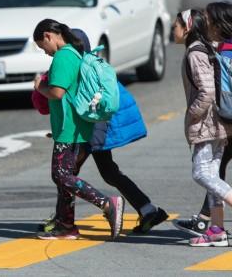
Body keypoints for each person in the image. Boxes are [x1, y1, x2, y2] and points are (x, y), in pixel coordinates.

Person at [36, 29, 168, 235]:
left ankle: (65, 221)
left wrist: (84, 141)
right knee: (105, 172)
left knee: (66, 174)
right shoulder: (89, 65)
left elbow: (85, 108)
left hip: (94, 129)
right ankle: (147, 209)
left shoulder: (82, 68)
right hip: (98, 127)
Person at [32, 19, 124, 240]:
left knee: (61, 175)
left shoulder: (64, 56)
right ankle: (66, 226)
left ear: (48, 36)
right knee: (67, 176)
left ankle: (106, 203)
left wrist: (39, 85)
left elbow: (57, 93)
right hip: (75, 126)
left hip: (69, 128)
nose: (45, 53)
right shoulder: (74, 52)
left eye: (42, 46)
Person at [173, 8, 232, 237]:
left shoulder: (194, 53)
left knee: (201, 173)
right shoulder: (205, 49)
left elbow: (206, 91)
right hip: (216, 123)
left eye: (176, 26)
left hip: (207, 125)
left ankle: (216, 228)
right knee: (212, 176)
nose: (173, 30)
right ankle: (216, 230)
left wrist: (193, 114)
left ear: (187, 28)